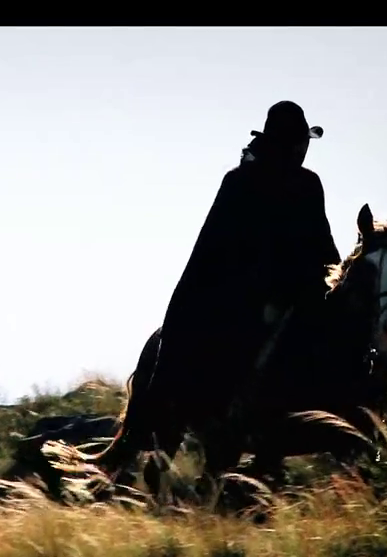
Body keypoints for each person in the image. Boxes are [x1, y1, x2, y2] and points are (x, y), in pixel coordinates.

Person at [143, 100, 342, 459]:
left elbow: (324, 247)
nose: (305, 149)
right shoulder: (251, 182)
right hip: (244, 299)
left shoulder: (296, 183)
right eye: (302, 142)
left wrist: (334, 283)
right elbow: (220, 248)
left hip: (290, 295)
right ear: (292, 144)